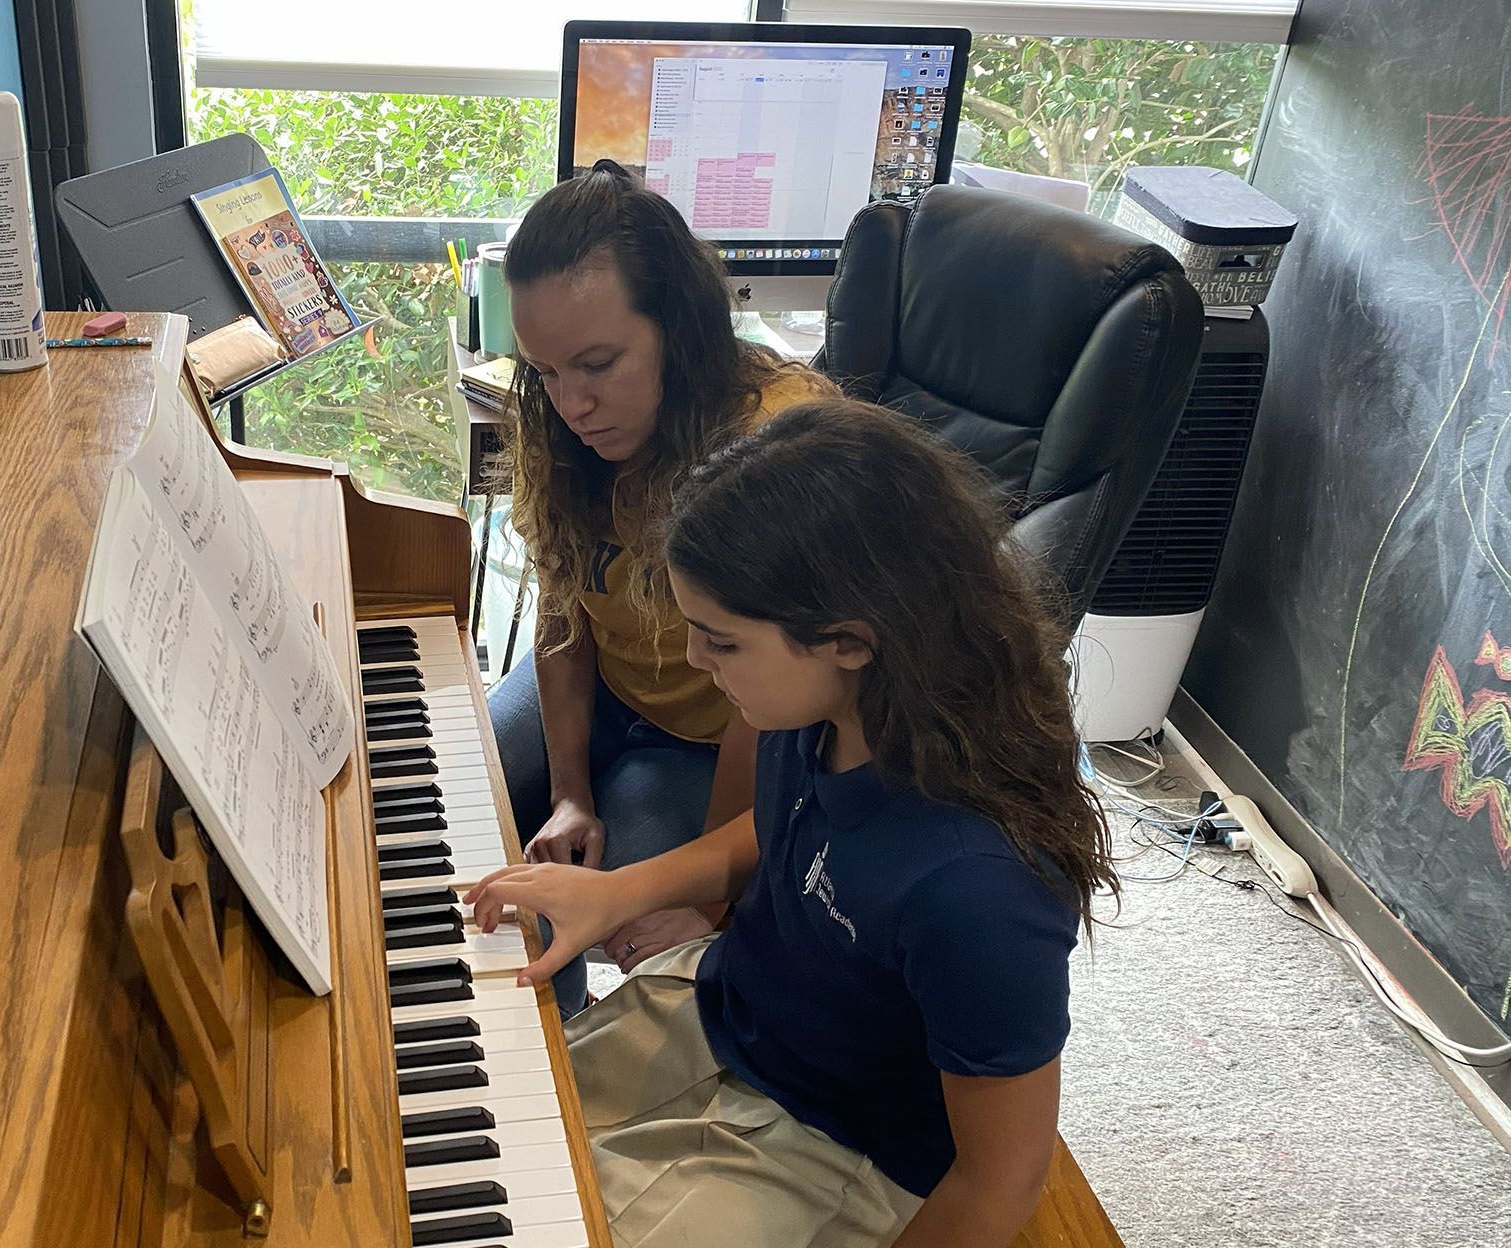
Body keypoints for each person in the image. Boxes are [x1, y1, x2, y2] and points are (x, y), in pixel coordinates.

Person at [467, 399, 1121, 1248]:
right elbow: (785, 835)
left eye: (720, 641)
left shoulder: (978, 891)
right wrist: (618, 891)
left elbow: (1003, 1178)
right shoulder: (812, 712)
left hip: (832, 1143)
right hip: (724, 1008)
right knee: (475, 1130)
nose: (696, 663)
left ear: (849, 639)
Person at [488, 159, 830, 1014]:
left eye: (598, 364)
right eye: (546, 372)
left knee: (628, 916)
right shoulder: (562, 424)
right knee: (462, 803)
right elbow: (565, 606)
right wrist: (568, 789)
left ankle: (556, 1086)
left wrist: (710, 899)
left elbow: (765, 696)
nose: (571, 403)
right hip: (605, 684)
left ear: (679, 329)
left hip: (725, 735)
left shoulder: (773, 446)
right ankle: (523, 1044)